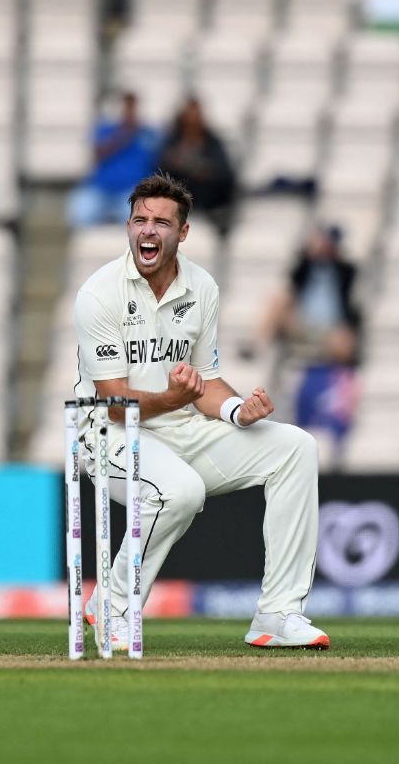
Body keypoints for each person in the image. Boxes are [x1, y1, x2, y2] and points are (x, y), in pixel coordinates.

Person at [74, 173, 327, 649]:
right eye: (139, 220)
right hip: (106, 436)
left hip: (181, 428)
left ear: (182, 233)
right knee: (182, 491)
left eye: (161, 223)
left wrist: (236, 409)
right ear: (128, 226)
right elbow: (110, 403)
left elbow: (204, 381)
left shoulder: (201, 287)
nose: (148, 231)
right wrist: (171, 399)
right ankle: (113, 604)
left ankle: (278, 613)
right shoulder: (98, 294)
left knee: (295, 447)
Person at [251, 225, 361, 364]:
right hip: (302, 323)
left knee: (344, 339)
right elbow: (293, 279)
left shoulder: (344, 271)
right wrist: (310, 254)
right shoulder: (306, 268)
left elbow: (351, 297)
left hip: (331, 328)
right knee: (277, 299)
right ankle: (257, 345)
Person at [68, 90, 160, 227]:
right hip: (100, 188)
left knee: (135, 218)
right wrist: (124, 134)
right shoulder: (105, 129)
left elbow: (159, 160)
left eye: (132, 105)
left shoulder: (148, 133)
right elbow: (97, 154)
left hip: (132, 191)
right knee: (80, 212)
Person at [156, 96, 236, 232]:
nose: (192, 120)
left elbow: (225, 173)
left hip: (208, 199)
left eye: (196, 116)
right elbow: (161, 168)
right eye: (189, 116)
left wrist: (200, 169)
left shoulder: (212, 142)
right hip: (179, 197)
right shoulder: (172, 141)